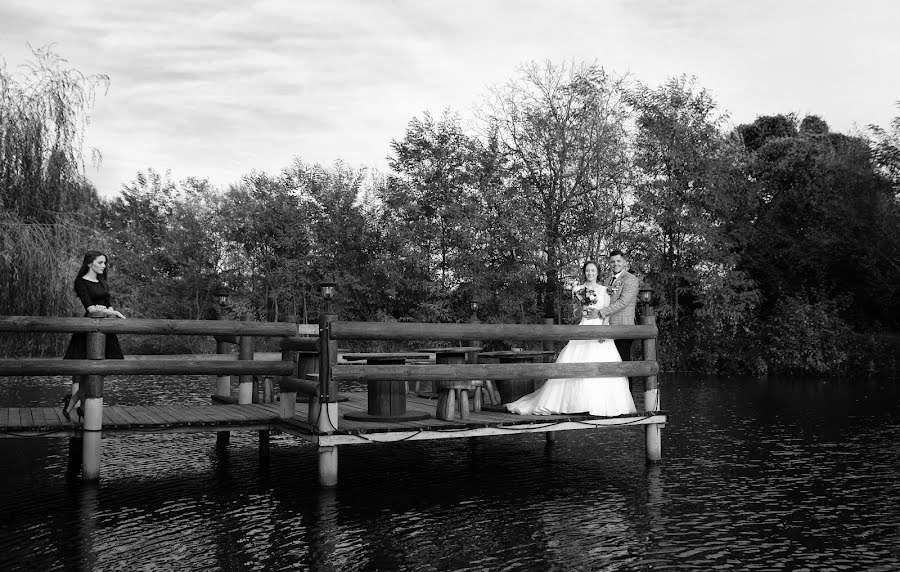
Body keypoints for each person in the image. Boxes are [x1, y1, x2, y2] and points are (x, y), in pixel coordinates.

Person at [506, 260, 637, 416]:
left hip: (600, 328)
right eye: (587, 270)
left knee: (605, 364)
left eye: (593, 270)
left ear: (598, 272)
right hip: (584, 326)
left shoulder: (605, 290)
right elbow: (575, 312)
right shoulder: (578, 289)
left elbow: (607, 313)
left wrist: (604, 331)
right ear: (584, 272)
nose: (590, 273)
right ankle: (574, 404)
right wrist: (581, 311)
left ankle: (599, 404)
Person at [61, 251, 126, 422]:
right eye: (100, 262)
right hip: (88, 330)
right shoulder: (81, 282)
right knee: (86, 373)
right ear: (89, 263)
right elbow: (90, 309)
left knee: (99, 373)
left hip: (105, 329)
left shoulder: (103, 282)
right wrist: (111, 311)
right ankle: (78, 406)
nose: (104, 266)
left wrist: (110, 311)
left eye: (105, 263)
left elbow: (108, 306)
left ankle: (74, 404)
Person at [598, 249, 639, 361]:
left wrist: (602, 312)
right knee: (610, 360)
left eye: (618, 261)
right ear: (609, 263)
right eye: (612, 262)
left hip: (623, 326)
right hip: (607, 327)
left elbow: (623, 302)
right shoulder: (607, 281)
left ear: (624, 262)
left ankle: (627, 379)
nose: (615, 264)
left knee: (623, 360)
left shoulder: (631, 279)